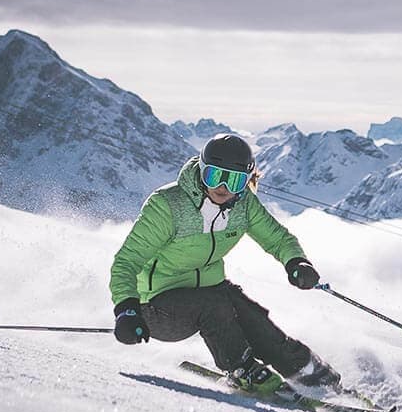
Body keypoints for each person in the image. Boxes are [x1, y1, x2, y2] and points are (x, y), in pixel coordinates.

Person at [109, 134, 341, 394]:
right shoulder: (167, 206)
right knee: (215, 306)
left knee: (253, 319)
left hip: (210, 291)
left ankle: (312, 375)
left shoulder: (243, 206)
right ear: (201, 171)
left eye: (233, 180)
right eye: (214, 176)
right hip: (153, 308)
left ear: (246, 181)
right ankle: (242, 370)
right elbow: (127, 262)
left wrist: (297, 262)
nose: (222, 187)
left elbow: (277, 239)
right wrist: (126, 310)